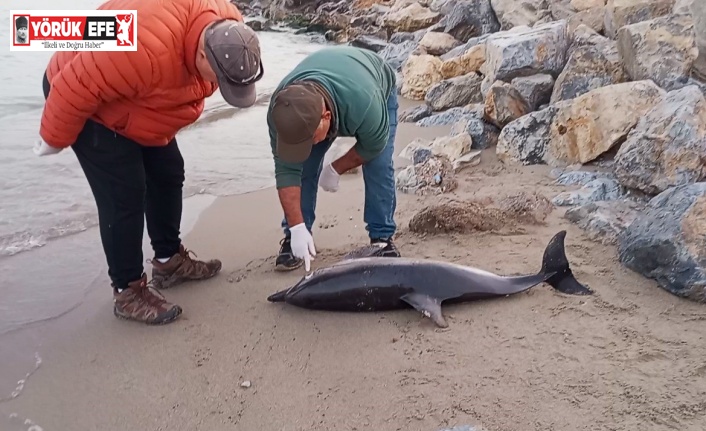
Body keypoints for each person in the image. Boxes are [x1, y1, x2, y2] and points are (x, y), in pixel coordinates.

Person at [35, 0, 263, 325]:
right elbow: (75, 86)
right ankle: (127, 291)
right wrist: (53, 137)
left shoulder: (231, 30)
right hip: (79, 95)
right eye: (221, 80)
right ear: (201, 54)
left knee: (168, 172)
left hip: (138, 96)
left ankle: (169, 262)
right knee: (124, 192)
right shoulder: (144, 47)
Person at [266, 45, 400, 273]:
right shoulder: (281, 113)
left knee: (378, 165)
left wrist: (336, 168)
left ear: (326, 118)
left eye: (307, 139)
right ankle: (294, 237)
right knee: (304, 167)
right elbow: (286, 172)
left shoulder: (364, 103)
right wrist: (296, 227)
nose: (304, 146)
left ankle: (382, 239)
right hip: (326, 84)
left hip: (374, 84)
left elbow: (373, 147)